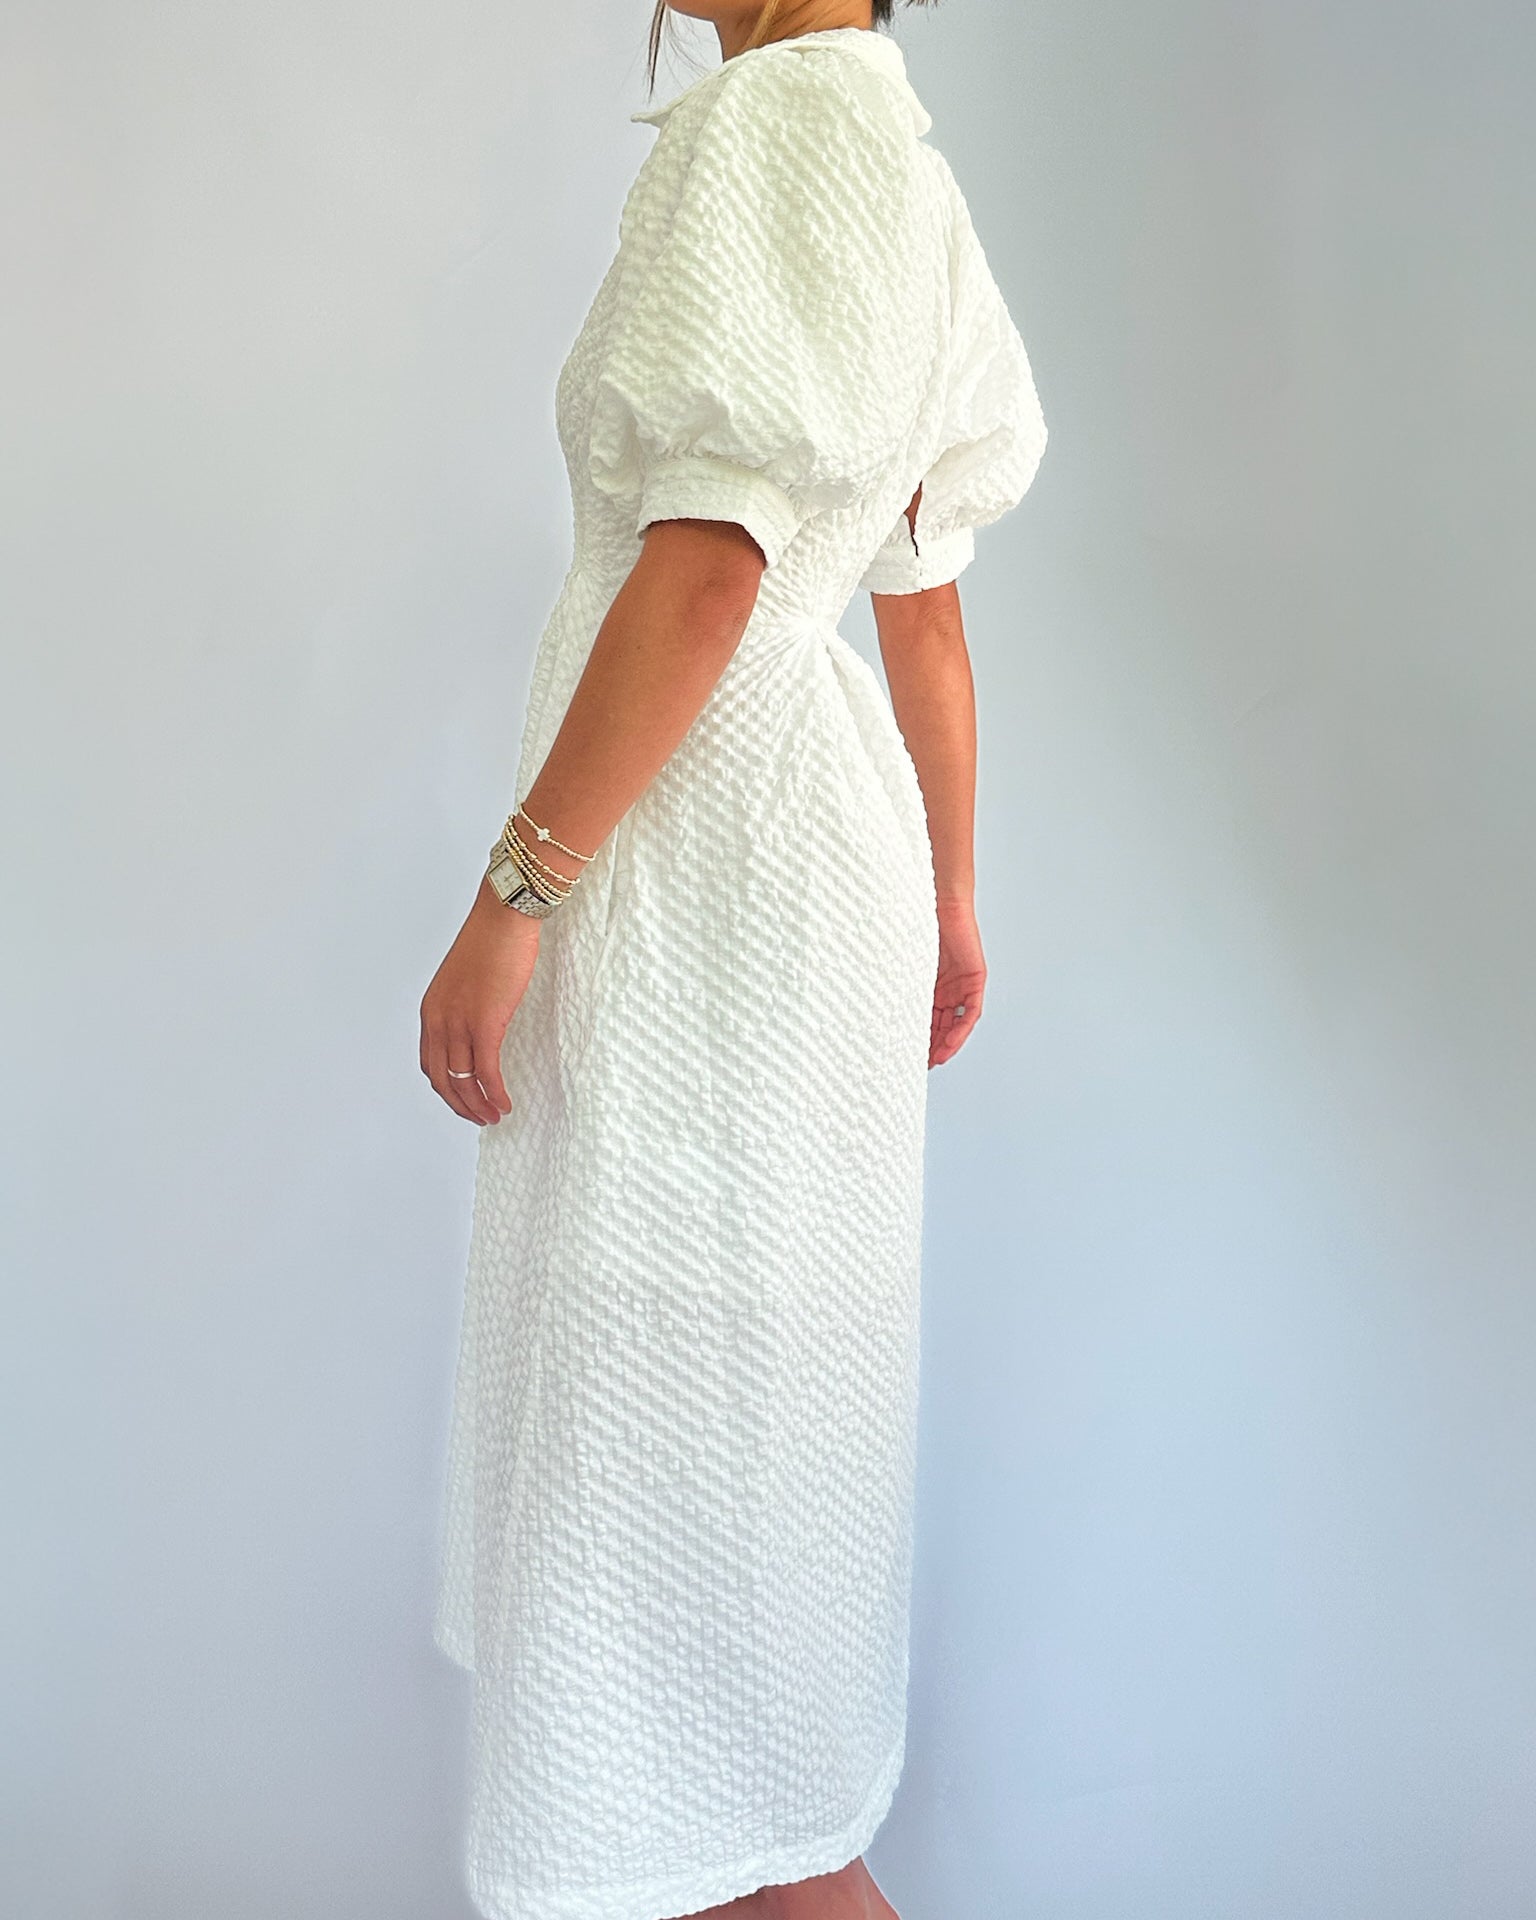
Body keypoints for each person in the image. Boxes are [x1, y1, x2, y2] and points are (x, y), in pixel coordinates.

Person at [419, 3, 1048, 1916]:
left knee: (660, 1507)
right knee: (743, 1462)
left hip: (704, 871)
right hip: (813, 869)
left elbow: (712, 567)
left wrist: (515, 894)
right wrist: (948, 897)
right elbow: (919, 612)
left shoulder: (769, 126)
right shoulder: (910, 181)